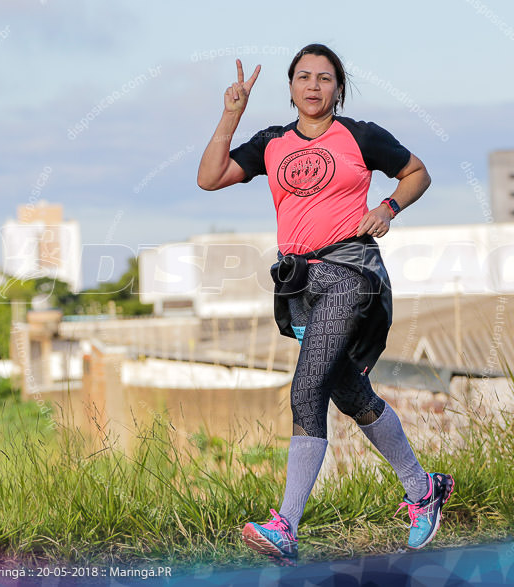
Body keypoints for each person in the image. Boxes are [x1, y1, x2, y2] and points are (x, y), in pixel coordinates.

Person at [197, 43, 454, 566]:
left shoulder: (361, 136)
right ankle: (422, 488)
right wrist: (231, 113)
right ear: (291, 87)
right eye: (304, 77)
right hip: (299, 284)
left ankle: (285, 526)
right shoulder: (271, 143)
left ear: (339, 88)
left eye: (325, 78)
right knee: (346, 391)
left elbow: (418, 172)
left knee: (307, 387)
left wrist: (388, 206)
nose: (314, 86)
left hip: (351, 271)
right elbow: (209, 177)